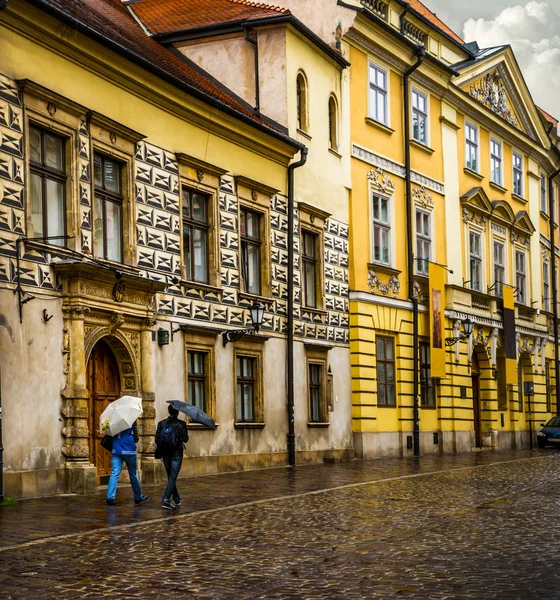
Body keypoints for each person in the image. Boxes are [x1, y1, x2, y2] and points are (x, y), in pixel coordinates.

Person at [106, 421, 148, 506]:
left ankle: (110, 497)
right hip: (128, 451)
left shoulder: (113, 420)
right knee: (133, 474)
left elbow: (108, 433)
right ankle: (138, 496)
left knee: (114, 473)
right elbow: (136, 438)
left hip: (116, 450)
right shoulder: (131, 419)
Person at [155, 405, 188, 510]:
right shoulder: (181, 424)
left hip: (165, 453)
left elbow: (157, 440)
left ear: (169, 411)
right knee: (173, 477)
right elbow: (186, 439)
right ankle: (165, 499)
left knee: (171, 476)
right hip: (176, 454)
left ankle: (176, 497)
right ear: (177, 412)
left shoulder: (161, 424)